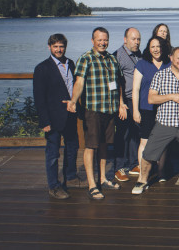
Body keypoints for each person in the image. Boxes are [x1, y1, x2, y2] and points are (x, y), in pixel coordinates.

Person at [132, 47, 179, 194]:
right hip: (164, 124)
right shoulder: (160, 76)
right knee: (148, 155)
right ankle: (142, 180)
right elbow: (151, 98)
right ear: (171, 58)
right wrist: (171, 96)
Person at [66, 27, 127, 200]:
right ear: (93, 41)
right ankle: (92, 184)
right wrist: (73, 100)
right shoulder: (86, 58)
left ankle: (102, 178)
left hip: (110, 110)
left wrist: (121, 103)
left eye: (105, 39)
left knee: (105, 145)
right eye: (99, 40)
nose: (102, 42)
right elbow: (79, 83)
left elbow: (118, 83)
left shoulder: (112, 59)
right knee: (91, 146)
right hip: (92, 110)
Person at [33, 33, 79, 200]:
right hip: (52, 118)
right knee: (53, 154)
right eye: (55, 46)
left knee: (72, 148)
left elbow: (75, 87)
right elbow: (39, 97)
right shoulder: (42, 68)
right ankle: (53, 186)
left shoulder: (71, 63)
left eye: (61, 46)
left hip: (71, 114)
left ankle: (71, 177)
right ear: (49, 47)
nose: (59, 49)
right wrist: (44, 121)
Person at [132, 36, 171, 180]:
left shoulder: (168, 64)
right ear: (149, 48)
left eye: (158, 46)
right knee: (145, 141)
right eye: (153, 46)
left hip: (164, 109)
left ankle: (161, 172)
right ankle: (143, 173)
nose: (156, 49)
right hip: (146, 109)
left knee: (163, 141)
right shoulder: (142, 64)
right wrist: (135, 110)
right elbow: (135, 89)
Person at [113, 27, 142, 182]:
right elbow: (115, 81)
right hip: (124, 101)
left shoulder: (139, 54)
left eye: (138, 39)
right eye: (133, 39)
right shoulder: (118, 56)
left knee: (135, 133)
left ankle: (133, 164)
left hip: (137, 100)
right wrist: (120, 103)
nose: (136, 42)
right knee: (122, 135)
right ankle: (119, 168)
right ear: (125, 39)